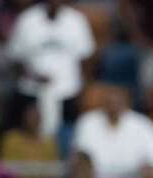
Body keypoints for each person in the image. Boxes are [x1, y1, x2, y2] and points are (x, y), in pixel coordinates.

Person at [5, 0, 96, 136]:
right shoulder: (27, 19)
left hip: (68, 91)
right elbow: (15, 58)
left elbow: (86, 58)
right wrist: (33, 76)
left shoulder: (76, 20)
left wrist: (84, 88)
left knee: (68, 135)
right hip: (32, 90)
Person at [70, 83, 153, 178]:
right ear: (103, 101)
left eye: (118, 97)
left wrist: (151, 168)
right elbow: (79, 159)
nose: (113, 102)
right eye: (110, 98)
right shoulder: (87, 122)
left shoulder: (142, 124)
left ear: (127, 101)